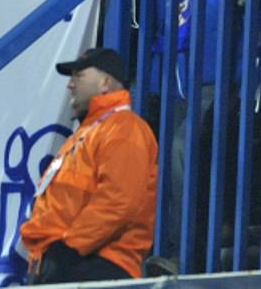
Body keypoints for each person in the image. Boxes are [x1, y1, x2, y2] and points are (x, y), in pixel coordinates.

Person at [19, 47, 158, 283]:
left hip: (95, 265)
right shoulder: (89, 131)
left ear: (105, 83)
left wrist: (68, 249)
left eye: (78, 76)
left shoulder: (124, 128)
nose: (70, 84)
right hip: (65, 263)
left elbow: (118, 201)